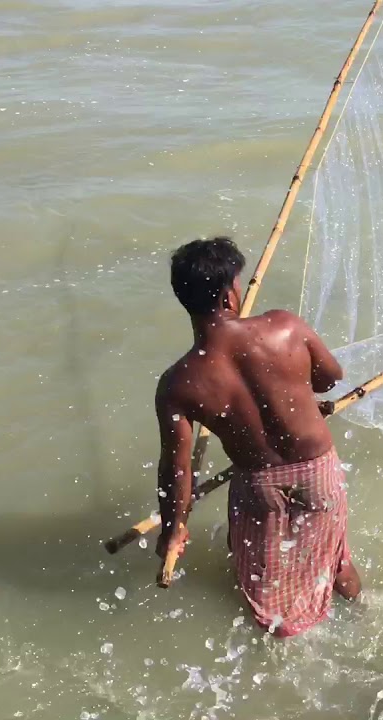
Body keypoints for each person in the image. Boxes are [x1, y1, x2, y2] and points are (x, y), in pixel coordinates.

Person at [153, 236, 361, 637]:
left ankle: (282, 648)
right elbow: (330, 377)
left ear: (185, 301)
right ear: (231, 295)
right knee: (335, 558)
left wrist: (173, 528)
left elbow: (177, 470)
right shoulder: (285, 326)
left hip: (258, 487)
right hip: (319, 472)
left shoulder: (178, 383)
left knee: (264, 586)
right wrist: (296, 394)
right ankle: (361, 615)